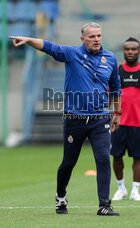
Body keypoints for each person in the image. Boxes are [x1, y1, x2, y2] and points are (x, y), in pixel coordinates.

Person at [9, 22, 122, 216]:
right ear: (82, 39)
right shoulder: (71, 54)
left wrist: (117, 113)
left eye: (99, 36)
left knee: (103, 159)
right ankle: (61, 197)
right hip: (74, 119)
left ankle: (104, 204)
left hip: (100, 119)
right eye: (92, 36)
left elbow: (116, 88)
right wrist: (28, 41)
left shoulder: (110, 58)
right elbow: (48, 46)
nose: (96, 39)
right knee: (68, 162)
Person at [110, 37, 140, 201]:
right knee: (116, 156)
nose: (130, 52)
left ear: (139, 51)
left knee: (138, 157)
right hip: (119, 122)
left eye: (133, 49)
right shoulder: (117, 70)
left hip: (138, 123)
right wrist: (106, 115)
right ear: (123, 51)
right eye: (127, 49)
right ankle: (121, 188)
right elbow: (110, 95)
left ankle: (135, 191)